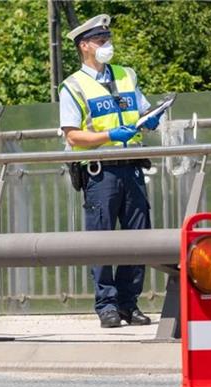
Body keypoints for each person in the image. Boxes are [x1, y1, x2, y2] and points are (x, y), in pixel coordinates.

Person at [59, 14, 162, 328]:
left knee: (138, 239)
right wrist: (108, 137)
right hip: (100, 172)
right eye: (102, 41)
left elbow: (142, 109)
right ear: (85, 46)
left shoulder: (125, 75)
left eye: (108, 40)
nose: (108, 46)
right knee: (101, 241)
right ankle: (107, 305)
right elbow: (72, 135)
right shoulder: (73, 86)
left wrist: (152, 117)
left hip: (131, 168)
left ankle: (129, 304)